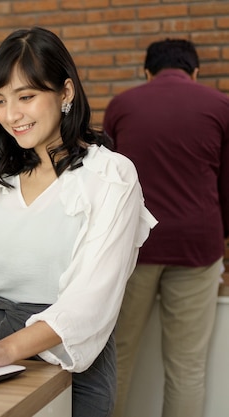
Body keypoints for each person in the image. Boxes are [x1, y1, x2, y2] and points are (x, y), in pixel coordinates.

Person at [0, 27, 156, 417]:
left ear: (65, 93)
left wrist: (7, 348)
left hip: (63, 365)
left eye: (26, 97)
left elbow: (91, 298)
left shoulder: (110, 175)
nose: (11, 115)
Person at [103, 39, 229, 417]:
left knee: (117, 357)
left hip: (135, 248)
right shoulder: (221, 105)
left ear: (147, 72)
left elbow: (109, 183)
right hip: (198, 247)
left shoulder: (121, 106)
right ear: (195, 72)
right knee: (187, 366)